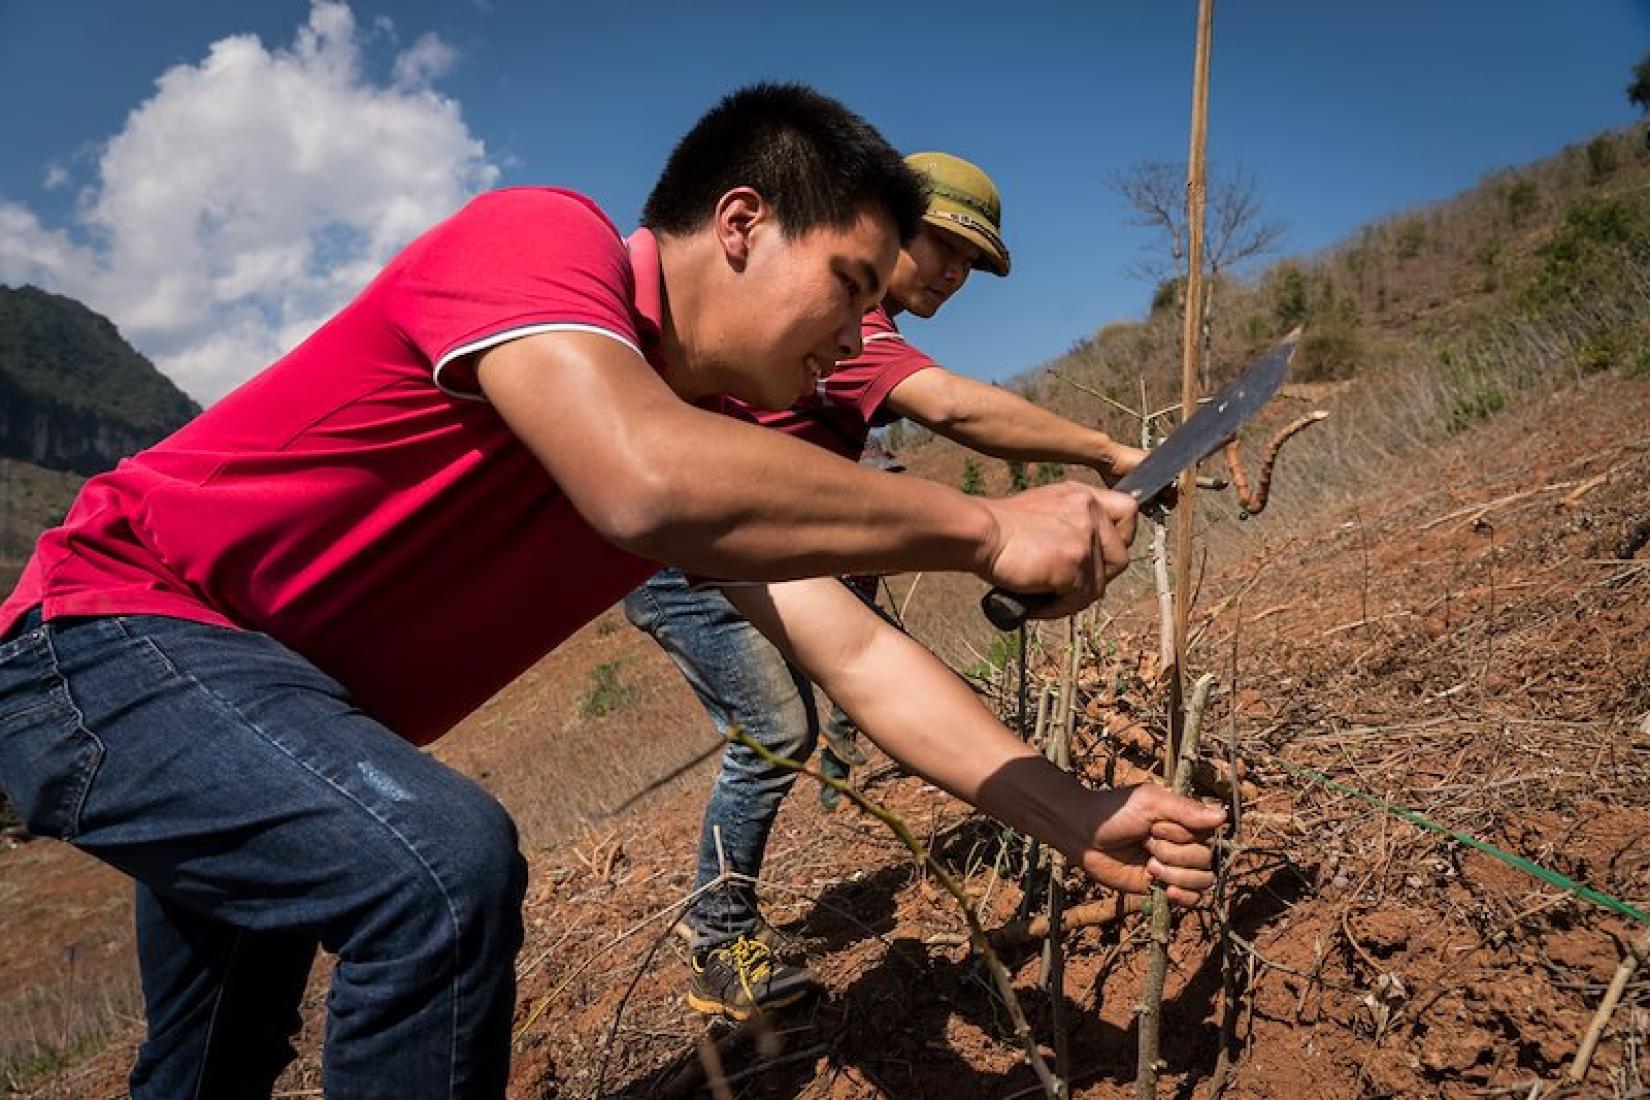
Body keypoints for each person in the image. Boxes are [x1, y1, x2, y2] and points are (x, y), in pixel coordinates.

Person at [0, 85, 1218, 1099]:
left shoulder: (722, 433)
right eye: (851, 285)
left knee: (216, 1056)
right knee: (437, 871)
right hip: (103, 633)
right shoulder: (539, 244)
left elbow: (858, 658)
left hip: (274, 716)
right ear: (740, 222)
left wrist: (1068, 808)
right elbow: (640, 479)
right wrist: (985, 525)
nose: (860, 339)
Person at [624, 152, 1175, 1020]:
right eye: (941, 246)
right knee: (775, 726)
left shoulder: (848, 329)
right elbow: (953, 406)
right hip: (695, 551)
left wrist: (1068, 815)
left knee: (857, 675)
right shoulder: (848, 323)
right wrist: (1103, 454)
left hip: (766, 548)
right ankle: (718, 932)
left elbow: (866, 645)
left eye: (973, 265)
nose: (954, 275)